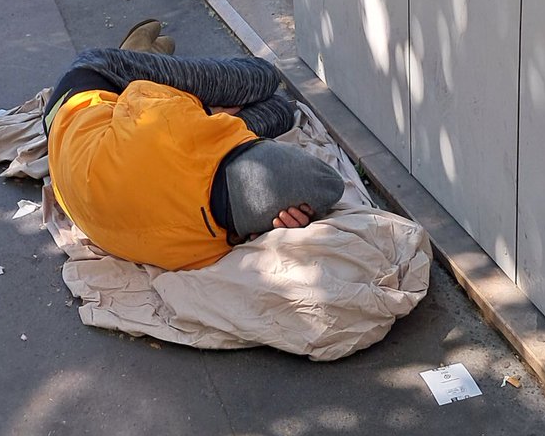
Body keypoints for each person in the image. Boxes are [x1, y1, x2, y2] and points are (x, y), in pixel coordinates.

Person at [45, 22, 346, 271]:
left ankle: (136, 55)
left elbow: (137, 96)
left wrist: (205, 111)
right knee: (276, 103)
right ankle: (140, 56)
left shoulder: (172, 131)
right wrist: (270, 216)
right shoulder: (208, 249)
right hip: (82, 168)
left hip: (76, 99)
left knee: (262, 75)